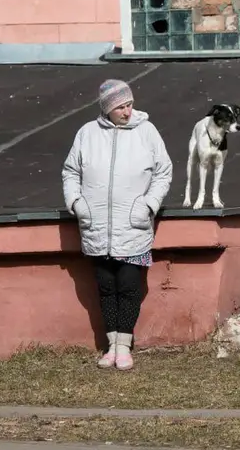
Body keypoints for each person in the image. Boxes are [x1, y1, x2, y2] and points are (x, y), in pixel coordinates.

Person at [61, 79, 173, 371]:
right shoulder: (87, 134)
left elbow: (164, 172)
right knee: (105, 287)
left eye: (129, 104)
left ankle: (124, 346)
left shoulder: (147, 132)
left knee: (128, 286)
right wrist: (77, 203)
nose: (126, 111)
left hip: (133, 226)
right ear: (107, 108)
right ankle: (111, 346)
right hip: (96, 227)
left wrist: (148, 204)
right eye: (120, 106)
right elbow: (71, 171)